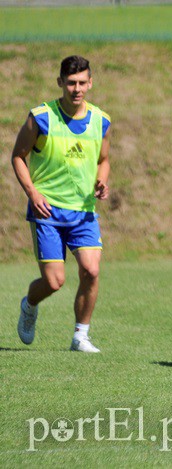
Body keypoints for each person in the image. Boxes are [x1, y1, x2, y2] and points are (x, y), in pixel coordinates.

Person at [11, 55, 112, 353]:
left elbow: (103, 160)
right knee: (54, 281)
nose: (76, 89)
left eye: (82, 82)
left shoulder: (101, 121)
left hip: (83, 212)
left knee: (91, 271)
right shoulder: (41, 117)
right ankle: (29, 305)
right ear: (60, 83)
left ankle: (81, 336)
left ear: (90, 83)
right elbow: (18, 155)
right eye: (71, 83)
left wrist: (101, 181)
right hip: (48, 211)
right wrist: (32, 193)